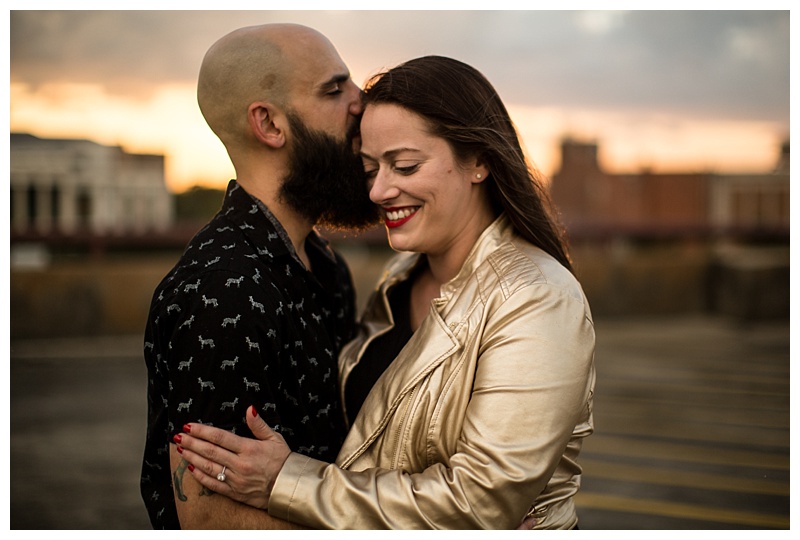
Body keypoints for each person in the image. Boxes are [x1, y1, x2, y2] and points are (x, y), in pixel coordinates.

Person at [174, 55, 597, 529]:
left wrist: (287, 482)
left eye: (405, 165)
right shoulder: (399, 277)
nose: (378, 191)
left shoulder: (538, 297)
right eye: (371, 168)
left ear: (478, 161)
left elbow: (480, 502)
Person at [140, 23, 379, 529]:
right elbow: (208, 518)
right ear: (269, 124)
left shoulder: (325, 266)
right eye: (335, 90)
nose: (362, 103)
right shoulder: (222, 290)